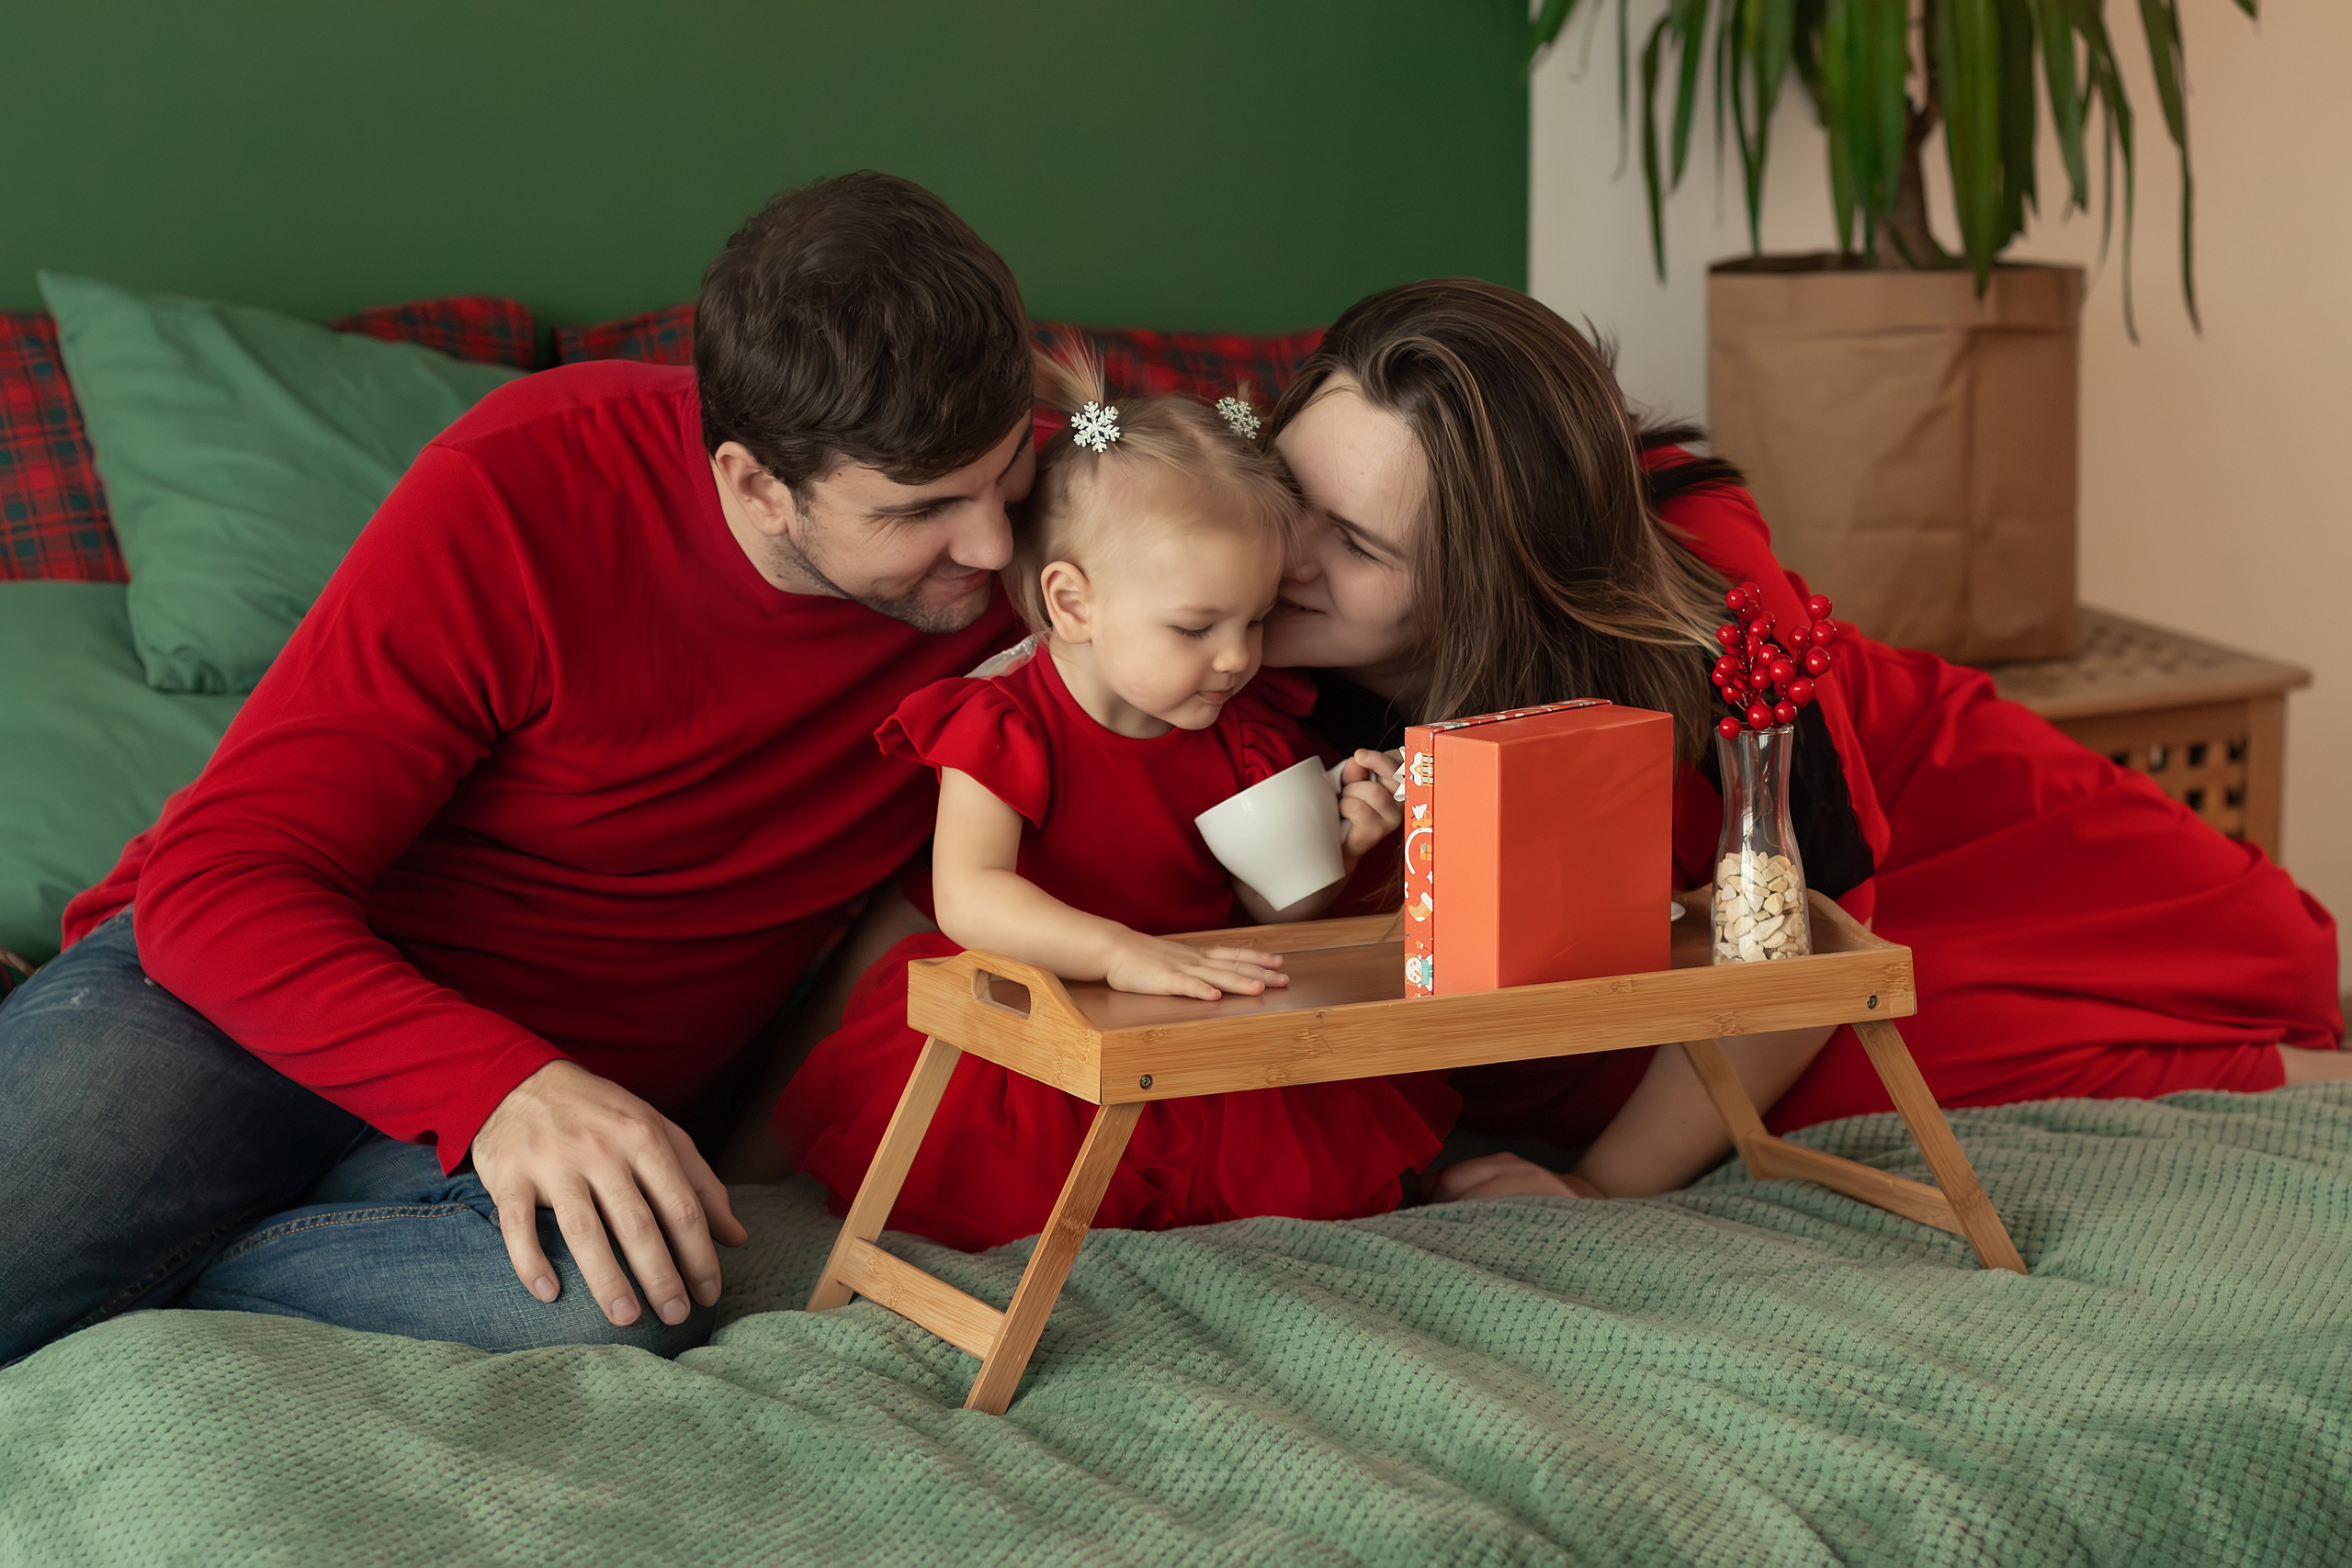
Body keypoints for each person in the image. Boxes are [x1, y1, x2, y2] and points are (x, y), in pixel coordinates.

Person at [0, 172, 1042, 1360]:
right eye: (926, 509)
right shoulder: (522, 486)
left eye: (1005, 471)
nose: (996, 542)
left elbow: (1267, 547)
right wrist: (497, 1082)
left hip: (550, 1109)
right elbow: (220, 877)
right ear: (755, 480)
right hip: (247, 1004)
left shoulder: (1071, 529)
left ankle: (146, 1279)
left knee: (635, 1299)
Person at [1261, 277, 2346, 1205]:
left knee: (2271, 958)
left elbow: (1806, 928)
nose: (1283, 553)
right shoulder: (1196, 587)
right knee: (1843, 1068)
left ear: (1496, 581)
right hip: (1657, 936)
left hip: (1889, 820)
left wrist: (1600, 1189)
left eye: (1353, 543)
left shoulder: (1701, 584)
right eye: (1285, 493)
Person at [782, 352, 1442, 1251]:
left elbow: (1266, 905)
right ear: (1073, 602)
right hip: (1037, 1023)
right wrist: (1116, 953)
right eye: (1195, 627)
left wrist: (1334, 849)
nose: (1236, 658)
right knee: (1006, 1179)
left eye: (1252, 621)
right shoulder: (1005, 723)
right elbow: (970, 894)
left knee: (1288, 1172)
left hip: (1186, 1014)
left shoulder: (1241, 726)